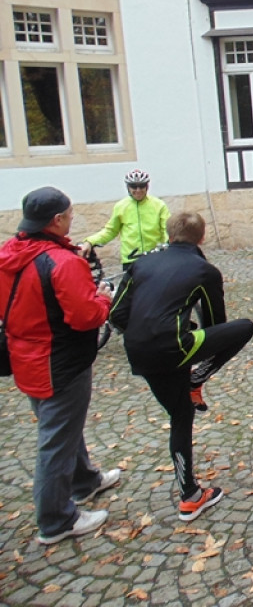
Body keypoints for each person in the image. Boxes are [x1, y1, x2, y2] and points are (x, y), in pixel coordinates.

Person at [110, 212, 253, 520]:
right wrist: (185, 330)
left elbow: (116, 315)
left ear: (168, 233)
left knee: (181, 414)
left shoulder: (141, 263)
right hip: (175, 345)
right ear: (202, 238)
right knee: (245, 327)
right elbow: (216, 325)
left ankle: (190, 495)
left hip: (139, 351)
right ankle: (196, 380)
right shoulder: (205, 270)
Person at [0, 187, 117, 544]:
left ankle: (84, 481)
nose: (72, 218)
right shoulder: (61, 263)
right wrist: (104, 297)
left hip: (26, 356)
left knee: (64, 427)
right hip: (61, 362)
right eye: (69, 213)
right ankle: (56, 519)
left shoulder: (9, 254)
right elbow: (85, 317)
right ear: (56, 221)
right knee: (55, 440)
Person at [81, 169, 169, 267]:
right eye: (134, 186)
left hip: (154, 257)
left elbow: (166, 229)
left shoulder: (159, 205)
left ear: (147, 186)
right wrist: (90, 241)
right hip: (131, 259)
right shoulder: (121, 206)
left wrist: (170, 245)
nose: (138, 190)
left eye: (142, 186)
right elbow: (110, 231)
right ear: (128, 187)